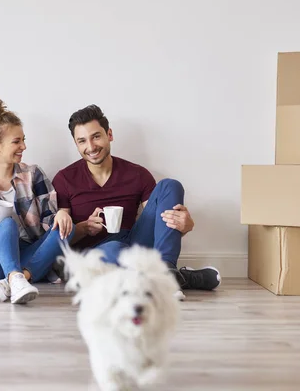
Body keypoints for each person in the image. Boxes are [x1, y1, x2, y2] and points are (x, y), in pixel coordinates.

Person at [51, 104, 221, 291]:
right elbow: (60, 240)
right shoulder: (65, 179)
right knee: (114, 249)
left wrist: (185, 227)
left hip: (134, 244)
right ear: (76, 144)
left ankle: (166, 269)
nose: (90, 147)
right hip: (95, 254)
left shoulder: (137, 174)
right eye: (82, 141)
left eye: (96, 136)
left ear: (109, 135)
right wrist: (84, 228)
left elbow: (159, 224)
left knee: (170, 185)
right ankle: (177, 279)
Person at [0, 95, 75, 304]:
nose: (23, 146)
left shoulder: (34, 174)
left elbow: (50, 222)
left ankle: (14, 281)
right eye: (16, 141)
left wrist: (61, 216)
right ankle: (16, 278)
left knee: (67, 227)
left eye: (23, 140)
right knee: (7, 224)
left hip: (25, 254)